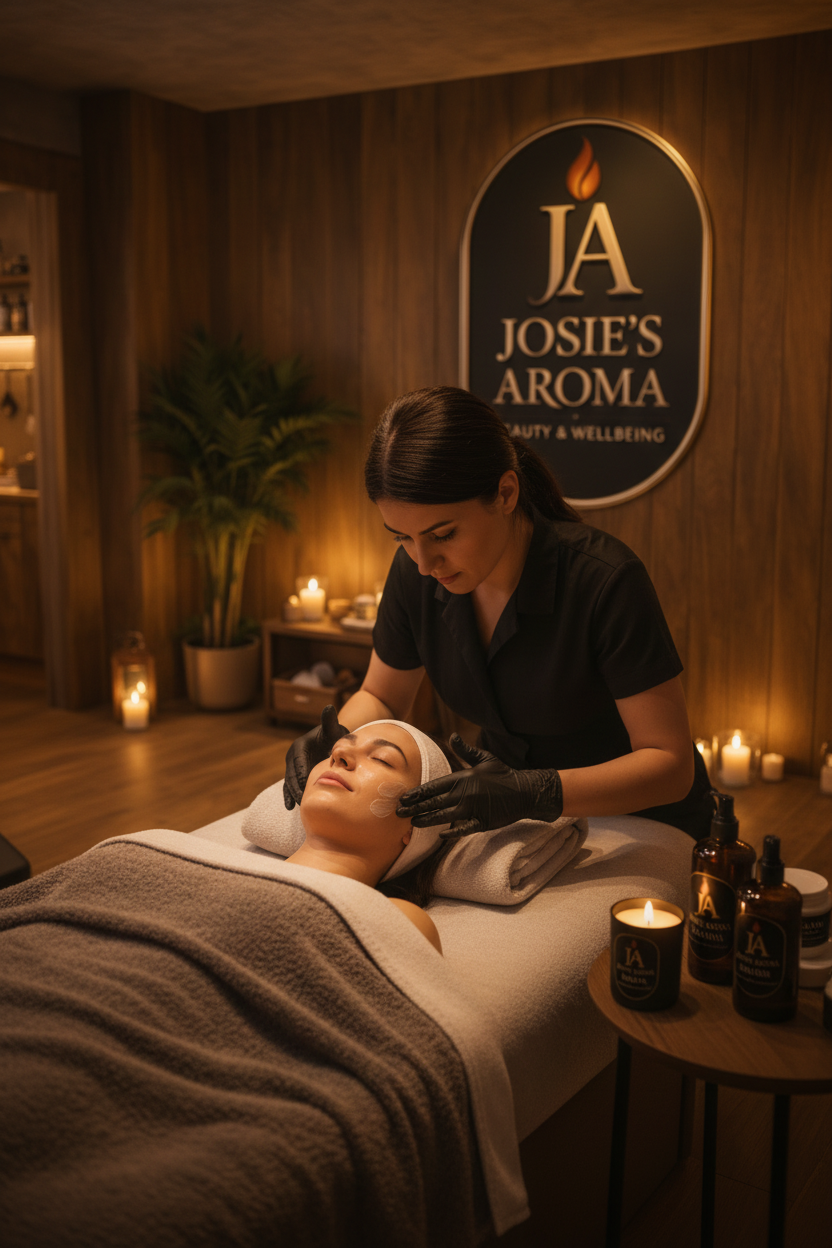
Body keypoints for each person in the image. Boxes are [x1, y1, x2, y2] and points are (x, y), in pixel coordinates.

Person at [284, 386, 712, 841]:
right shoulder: (416, 574)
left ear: (506, 493)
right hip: (515, 821)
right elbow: (385, 698)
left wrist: (536, 791)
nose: (425, 563)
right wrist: (338, 742)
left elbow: (669, 766)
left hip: (641, 823)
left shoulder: (604, 580)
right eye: (401, 538)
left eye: (443, 534)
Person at [288, 719, 458, 951]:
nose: (339, 756)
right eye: (334, 749)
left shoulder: (397, 923)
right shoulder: (225, 864)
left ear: (417, 825)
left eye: (382, 759)